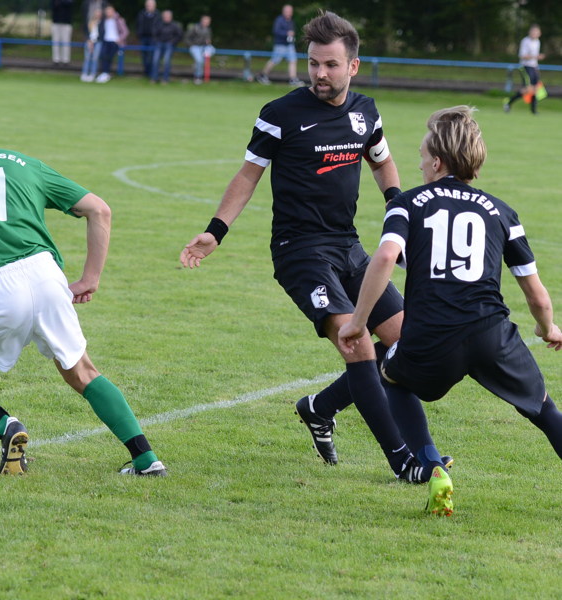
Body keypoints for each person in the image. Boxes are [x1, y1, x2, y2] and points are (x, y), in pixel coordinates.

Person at [180, 10, 446, 483]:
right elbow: (248, 175)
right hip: (299, 251)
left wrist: (396, 209)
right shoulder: (280, 114)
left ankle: (323, 408)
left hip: (348, 247)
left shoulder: (365, 112)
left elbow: (382, 161)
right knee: (356, 343)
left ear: (353, 66)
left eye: (330, 65)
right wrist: (215, 231)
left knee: (405, 342)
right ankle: (406, 462)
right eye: (313, 63)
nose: (319, 74)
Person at [0, 82, 167, 477]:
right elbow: (99, 210)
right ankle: (146, 459)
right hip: (46, 276)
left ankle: (6, 425)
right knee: (82, 372)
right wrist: (90, 278)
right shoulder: (26, 164)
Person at [338, 106, 562, 515]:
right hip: (491, 332)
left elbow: (385, 257)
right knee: (545, 408)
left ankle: (432, 465)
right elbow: (537, 295)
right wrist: (548, 328)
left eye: (422, 154)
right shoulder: (501, 211)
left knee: (391, 375)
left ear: (437, 162)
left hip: (432, 335)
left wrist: (357, 321)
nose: (420, 162)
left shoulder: (407, 203)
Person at [504, 24, 545, 115]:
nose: (534, 33)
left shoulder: (537, 42)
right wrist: (536, 57)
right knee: (527, 89)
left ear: (539, 33)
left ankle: (533, 110)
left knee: (536, 88)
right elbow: (522, 56)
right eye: (533, 31)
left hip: (534, 67)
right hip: (525, 67)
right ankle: (508, 102)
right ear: (529, 32)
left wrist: (536, 67)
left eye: (536, 32)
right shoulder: (525, 41)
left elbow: (535, 59)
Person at [257, 4, 302, 86]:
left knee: (293, 60)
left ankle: (293, 79)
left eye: (290, 11)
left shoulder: (291, 21)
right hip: (280, 45)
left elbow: (292, 31)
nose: (289, 13)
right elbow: (276, 31)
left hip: (289, 45)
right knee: (274, 60)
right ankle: (262, 75)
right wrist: (286, 33)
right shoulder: (279, 20)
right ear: (283, 11)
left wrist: (292, 35)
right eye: (287, 11)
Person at [95, 4, 127, 84]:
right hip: (105, 41)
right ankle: (104, 73)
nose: (108, 13)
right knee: (103, 56)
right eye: (107, 11)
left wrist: (119, 39)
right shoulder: (104, 20)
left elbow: (125, 31)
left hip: (114, 42)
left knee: (109, 58)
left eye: (110, 11)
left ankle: (106, 73)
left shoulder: (118, 20)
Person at [150, 9, 181, 84]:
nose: (166, 18)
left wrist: (172, 42)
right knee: (155, 60)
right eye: (165, 16)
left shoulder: (175, 25)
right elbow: (154, 34)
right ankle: (154, 78)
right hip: (159, 44)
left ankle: (165, 79)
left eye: (168, 16)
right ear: (162, 17)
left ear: (171, 17)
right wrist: (157, 41)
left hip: (169, 45)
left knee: (166, 61)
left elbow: (179, 35)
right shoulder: (159, 24)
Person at [184, 15, 213, 84]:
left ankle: (196, 64)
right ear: (201, 21)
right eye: (205, 21)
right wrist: (191, 45)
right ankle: (198, 77)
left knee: (212, 49)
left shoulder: (208, 29)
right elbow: (186, 38)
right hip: (195, 46)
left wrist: (208, 42)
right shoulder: (194, 27)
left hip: (204, 47)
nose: (207, 23)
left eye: (208, 22)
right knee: (200, 61)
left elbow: (208, 39)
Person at [135, 0, 159, 78]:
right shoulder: (141, 14)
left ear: (154, 6)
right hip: (143, 38)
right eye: (148, 5)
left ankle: (151, 73)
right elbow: (137, 24)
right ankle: (146, 72)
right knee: (144, 56)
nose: (149, 6)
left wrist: (156, 36)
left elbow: (159, 27)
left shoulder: (158, 15)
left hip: (153, 38)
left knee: (151, 56)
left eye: (151, 5)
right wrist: (138, 34)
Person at [79, 6, 102, 82]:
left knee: (95, 59)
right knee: (87, 58)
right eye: (97, 13)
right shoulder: (89, 22)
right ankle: (84, 74)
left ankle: (92, 74)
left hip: (97, 42)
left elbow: (102, 34)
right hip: (89, 42)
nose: (98, 14)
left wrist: (94, 41)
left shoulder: (102, 23)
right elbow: (86, 33)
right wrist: (89, 41)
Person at [50, 0, 73, 66]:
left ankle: (66, 60)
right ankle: (56, 60)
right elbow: (53, 5)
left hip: (66, 23)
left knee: (66, 42)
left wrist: (60, 2)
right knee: (55, 42)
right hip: (56, 22)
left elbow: (69, 3)